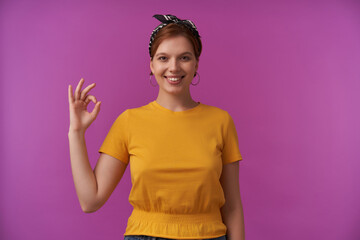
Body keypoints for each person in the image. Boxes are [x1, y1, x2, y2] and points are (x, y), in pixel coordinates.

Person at [68, 14, 245, 240]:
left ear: (196, 63)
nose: (173, 67)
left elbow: (232, 208)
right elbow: (90, 201)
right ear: (151, 64)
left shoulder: (221, 121)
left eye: (184, 57)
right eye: (163, 58)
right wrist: (76, 133)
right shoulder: (129, 121)